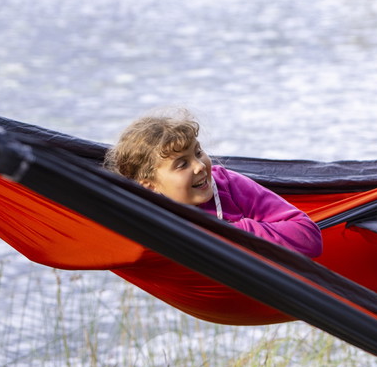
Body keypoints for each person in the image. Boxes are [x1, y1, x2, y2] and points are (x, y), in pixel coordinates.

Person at [104, 108, 322, 258]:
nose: (199, 166)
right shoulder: (140, 215)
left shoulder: (229, 185)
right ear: (149, 184)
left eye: (198, 153)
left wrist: (232, 232)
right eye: (182, 164)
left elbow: (309, 237)